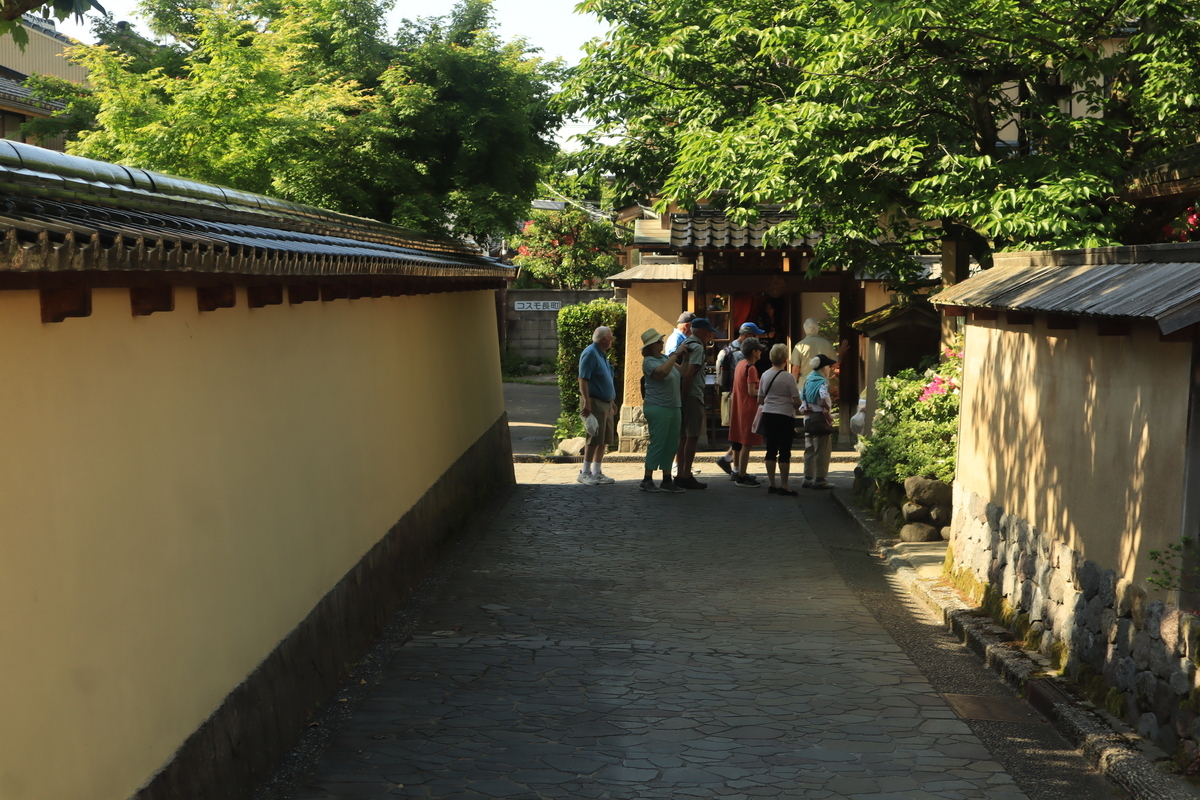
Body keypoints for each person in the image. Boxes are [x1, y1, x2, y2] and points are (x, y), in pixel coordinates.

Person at [639, 328, 688, 493]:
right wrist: (675, 354)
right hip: (657, 407)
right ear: (651, 346)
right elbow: (662, 373)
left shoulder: (665, 358)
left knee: (671, 443)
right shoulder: (649, 361)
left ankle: (667, 479)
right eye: (659, 341)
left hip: (674, 406)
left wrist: (687, 357)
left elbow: (683, 372)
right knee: (658, 442)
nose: (662, 343)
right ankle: (647, 479)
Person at [715, 322, 765, 476]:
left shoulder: (729, 350)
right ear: (747, 336)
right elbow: (749, 387)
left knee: (738, 434)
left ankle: (732, 464)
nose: (757, 338)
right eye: (755, 335)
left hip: (734, 395)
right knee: (744, 437)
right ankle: (739, 471)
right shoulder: (743, 359)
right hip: (742, 399)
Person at [675, 317, 717, 489]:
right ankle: (686, 475)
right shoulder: (698, 347)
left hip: (683, 395)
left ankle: (680, 474)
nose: (710, 336)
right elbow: (689, 374)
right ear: (701, 332)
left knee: (682, 437)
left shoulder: (685, 343)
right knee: (692, 436)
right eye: (708, 332)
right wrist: (685, 396)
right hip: (692, 395)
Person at [758, 343, 802, 496]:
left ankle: (772, 483)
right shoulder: (788, 377)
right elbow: (797, 401)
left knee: (770, 449)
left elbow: (760, 400)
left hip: (768, 414)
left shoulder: (765, 375)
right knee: (784, 450)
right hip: (785, 416)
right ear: (785, 359)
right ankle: (784, 485)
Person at [577, 326, 618, 486]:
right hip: (594, 402)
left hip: (605, 403)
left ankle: (596, 471)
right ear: (604, 339)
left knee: (604, 438)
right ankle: (585, 472)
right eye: (611, 337)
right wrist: (587, 402)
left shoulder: (601, 354)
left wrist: (611, 400)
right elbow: (583, 378)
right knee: (594, 437)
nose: (612, 339)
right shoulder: (590, 353)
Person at [727, 337, 765, 487]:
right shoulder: (751, 368)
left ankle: (737, 470)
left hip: (738, 406)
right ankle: (742, 475)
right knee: (747, 443)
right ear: (754, 351)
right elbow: (752, 391)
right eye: (759, 349)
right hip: (748, 408)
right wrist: (764, 389)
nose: (761, 352)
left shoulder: (740, 364)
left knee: (738, 439)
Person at [801, 353, 838, 490]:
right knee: (822, 449)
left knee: (809, 448)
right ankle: (820, 478)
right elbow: (823, 395)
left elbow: (802, 399)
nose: (829, 368)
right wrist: (827, 406)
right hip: (820, 419)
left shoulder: (807, 381)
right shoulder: (822, 382)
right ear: (823, 368)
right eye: (828, 366)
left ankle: (808, 477)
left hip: (808, 419)